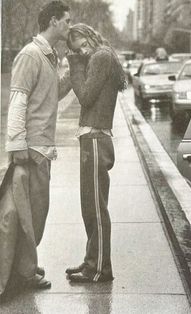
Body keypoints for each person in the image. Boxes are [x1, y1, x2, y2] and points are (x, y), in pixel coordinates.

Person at [1, 0, 71, 293]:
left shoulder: (49, 56)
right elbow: (17, 100)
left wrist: (75, 70)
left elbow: (55, 93)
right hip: (31, 150)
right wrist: (17, 146)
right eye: (67, 21)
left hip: (42, 149)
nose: (69, 26)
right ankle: (22, 274)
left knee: (35, 215)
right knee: (25, 216)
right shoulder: (31, 55)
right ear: (54, 21)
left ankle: (24, 267)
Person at [65, 23, 126, 283]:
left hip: (95, 137)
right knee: (90, 205)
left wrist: (76, 66)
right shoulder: (101, 56)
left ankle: (99, 268)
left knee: (96, 207)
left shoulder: (101, 57)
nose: (80, 48)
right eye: (75, 47)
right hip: (93, 136)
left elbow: (86, 97)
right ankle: (93, 261)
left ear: (90, 34)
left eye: (80, 42)